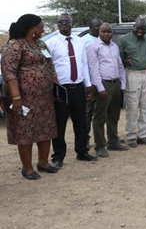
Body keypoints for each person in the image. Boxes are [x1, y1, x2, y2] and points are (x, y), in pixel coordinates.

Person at [1, 14, 59, 179]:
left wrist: (57, 88)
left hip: (44, 98)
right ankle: (27, 168)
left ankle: (44, 162)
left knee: (45, 128)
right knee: (25, 131)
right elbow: (9, 72)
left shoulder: (41, 44)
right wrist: (16, 97)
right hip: (24, 99)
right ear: (32, 29)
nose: (43, 29)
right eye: (41, 27)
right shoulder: (15, 45)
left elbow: (50, 66)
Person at [46, 13, 97, 168]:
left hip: (79, 87)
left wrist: (88, 85)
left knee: (81, 122)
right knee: (59, 124)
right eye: (60, 22)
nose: (63, 24)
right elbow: (48, 67)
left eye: (66, 21)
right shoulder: (51, 43)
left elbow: (84, 64)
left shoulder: (79, 41)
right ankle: (58, 157)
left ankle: (82, 152)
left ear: (72, 24)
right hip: (61, 88)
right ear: (57, 24)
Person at [87, 23, 128, 157]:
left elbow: (120, 66)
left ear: (112, 33)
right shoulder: (93, 46)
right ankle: (100, 146)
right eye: (103, 31)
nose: (106, 34)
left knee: (113, 115)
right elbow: (93, 68)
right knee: (100, 117)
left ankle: (113, 142)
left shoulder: (114, 46)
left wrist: (122, 85)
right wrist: (99, 88)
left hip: (115, 84)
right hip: (103, 85)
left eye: (109, 32)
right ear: (99, 32)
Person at [118, 18, 146, 147]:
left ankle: (143, 135)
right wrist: (125, 61)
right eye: (138, 28)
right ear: (134, 27)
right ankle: (131, 136)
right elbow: (118, 57)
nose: (140, 31)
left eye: (143, 29)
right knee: (132, 106)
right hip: (132, 74)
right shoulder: (124, 39)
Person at [80, 17, 103, 147]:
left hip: (103, 80)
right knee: (87, 112)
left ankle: (101, 139)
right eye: (97, 26)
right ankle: (85, 139)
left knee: (101, 113)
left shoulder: (105, 40)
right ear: (90, 28)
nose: (100, 28)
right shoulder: (83, 41)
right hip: (89, 82)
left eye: (101, 25)